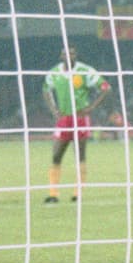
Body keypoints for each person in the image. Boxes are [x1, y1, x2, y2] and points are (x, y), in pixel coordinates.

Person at [42, 45, 109, 203]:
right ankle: (53, 193)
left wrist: (91, 107)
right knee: (56, 155)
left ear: (76, 55)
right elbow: (46, 90)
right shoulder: (54, 72)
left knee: (79, 155)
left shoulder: (85, 71)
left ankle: (77, 192)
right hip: (64, 118)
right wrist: (53, 109)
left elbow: (105, 88)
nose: (69, 56)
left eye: (72, 53)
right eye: (65, 53)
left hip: (80, 117)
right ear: (61, 56)